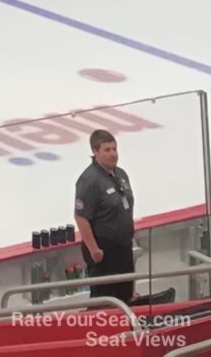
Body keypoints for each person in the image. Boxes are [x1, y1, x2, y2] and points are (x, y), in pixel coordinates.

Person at [74, 130, 136, 306]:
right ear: (95, 152)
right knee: (105, 298)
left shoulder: (121, 174)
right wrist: (94, 250)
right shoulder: (89, 181)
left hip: (123, 247)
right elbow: (81, 217)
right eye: (107, 150)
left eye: (114, 149)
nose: (113, 154)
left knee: (125, 294)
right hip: (103, 251)